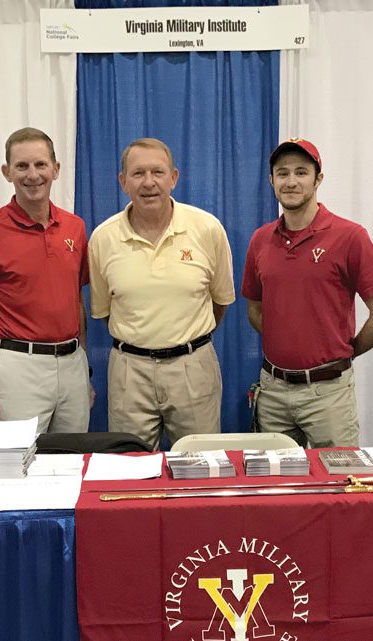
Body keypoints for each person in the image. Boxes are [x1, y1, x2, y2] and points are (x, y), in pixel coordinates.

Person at [242, 138, 373, 448]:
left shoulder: (350, 237)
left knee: (339, 485)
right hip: (272, 391)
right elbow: (256, 310)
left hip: (328, 394)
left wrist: (342, 352)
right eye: (282, 173)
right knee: (277, 489)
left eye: (301, 172)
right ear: (272, 180)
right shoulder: (261, 240)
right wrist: (288, 341)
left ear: (318, 179)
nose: (291, 181)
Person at [88, 138, 236, 450]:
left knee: (201, 466)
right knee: (131, 471)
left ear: (174, 177)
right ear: (122, 181)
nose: (149, 182)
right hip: (129, 371)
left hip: (193, 366)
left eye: (158, 171)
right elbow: (104, 311)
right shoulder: (103, 238)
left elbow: (220, 301)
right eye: (138, 173)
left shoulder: (207, 229)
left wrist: (184, 339)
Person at [0, 127, 91, 434]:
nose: (33, 175)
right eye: (22, 166)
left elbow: (76, 300)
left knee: (72, 465)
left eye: (41, 165)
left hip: (72, 367)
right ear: (7, 172)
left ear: (56, 170)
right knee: (16, 466)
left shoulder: (75, 228)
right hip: (19, 367)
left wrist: (83, 369)